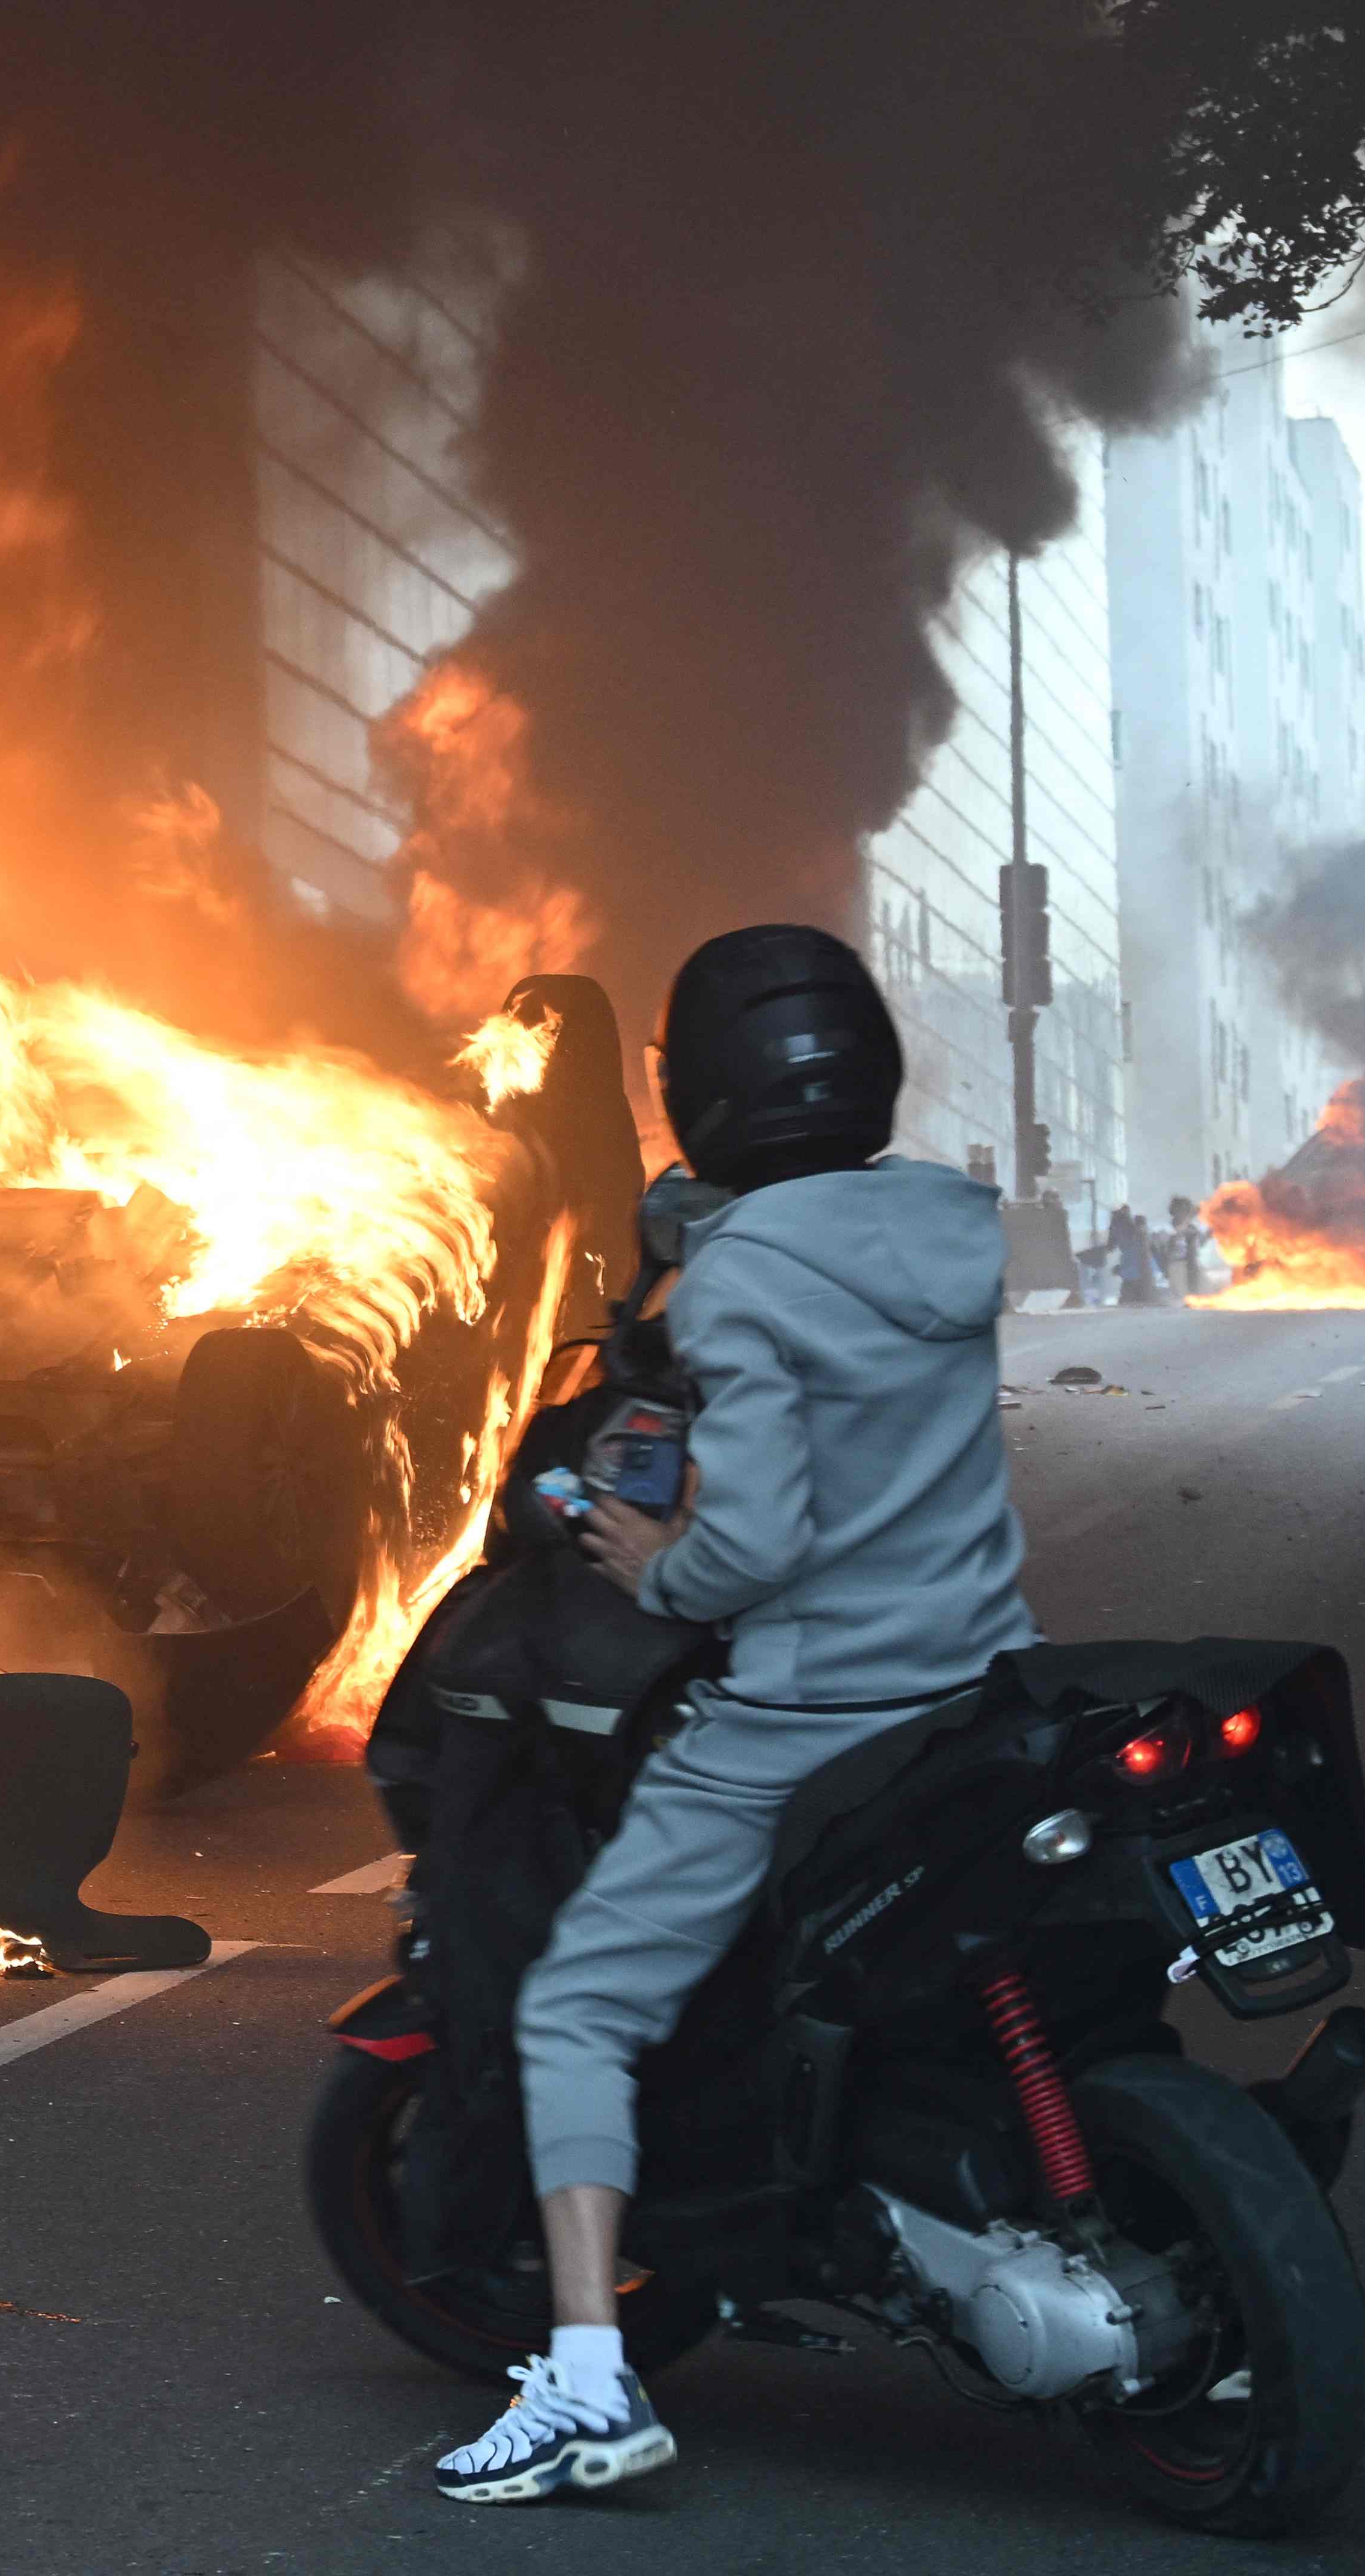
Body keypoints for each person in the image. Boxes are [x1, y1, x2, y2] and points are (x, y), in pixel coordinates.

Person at [432, 925, 1036, 2507]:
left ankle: (583, 2383)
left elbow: (753, 1545)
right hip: (974, 1683)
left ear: (698, 1091)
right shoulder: (950, 1223)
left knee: (573, 2010)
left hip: (806, 1713)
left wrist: (658, 1559)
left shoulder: (750, 1272)